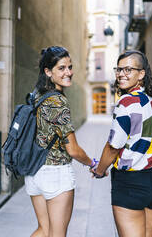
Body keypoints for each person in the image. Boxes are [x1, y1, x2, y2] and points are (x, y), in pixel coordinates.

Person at [92, 50, 152, 237]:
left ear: (142, 74)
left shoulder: (126, 103)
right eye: (119, 69)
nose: (121, 74)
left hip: (132, 182)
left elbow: (113, 147)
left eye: (128, 69)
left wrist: (99, 170)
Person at [25, 46, 96, 237]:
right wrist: (93, 163)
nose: (69, 73)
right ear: (48, 72)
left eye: (70, 67)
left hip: (34, 172)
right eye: (62, 68)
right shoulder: (58, 102)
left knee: (44, 229)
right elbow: (72, 149)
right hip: (55, 174)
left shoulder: (37, 95)